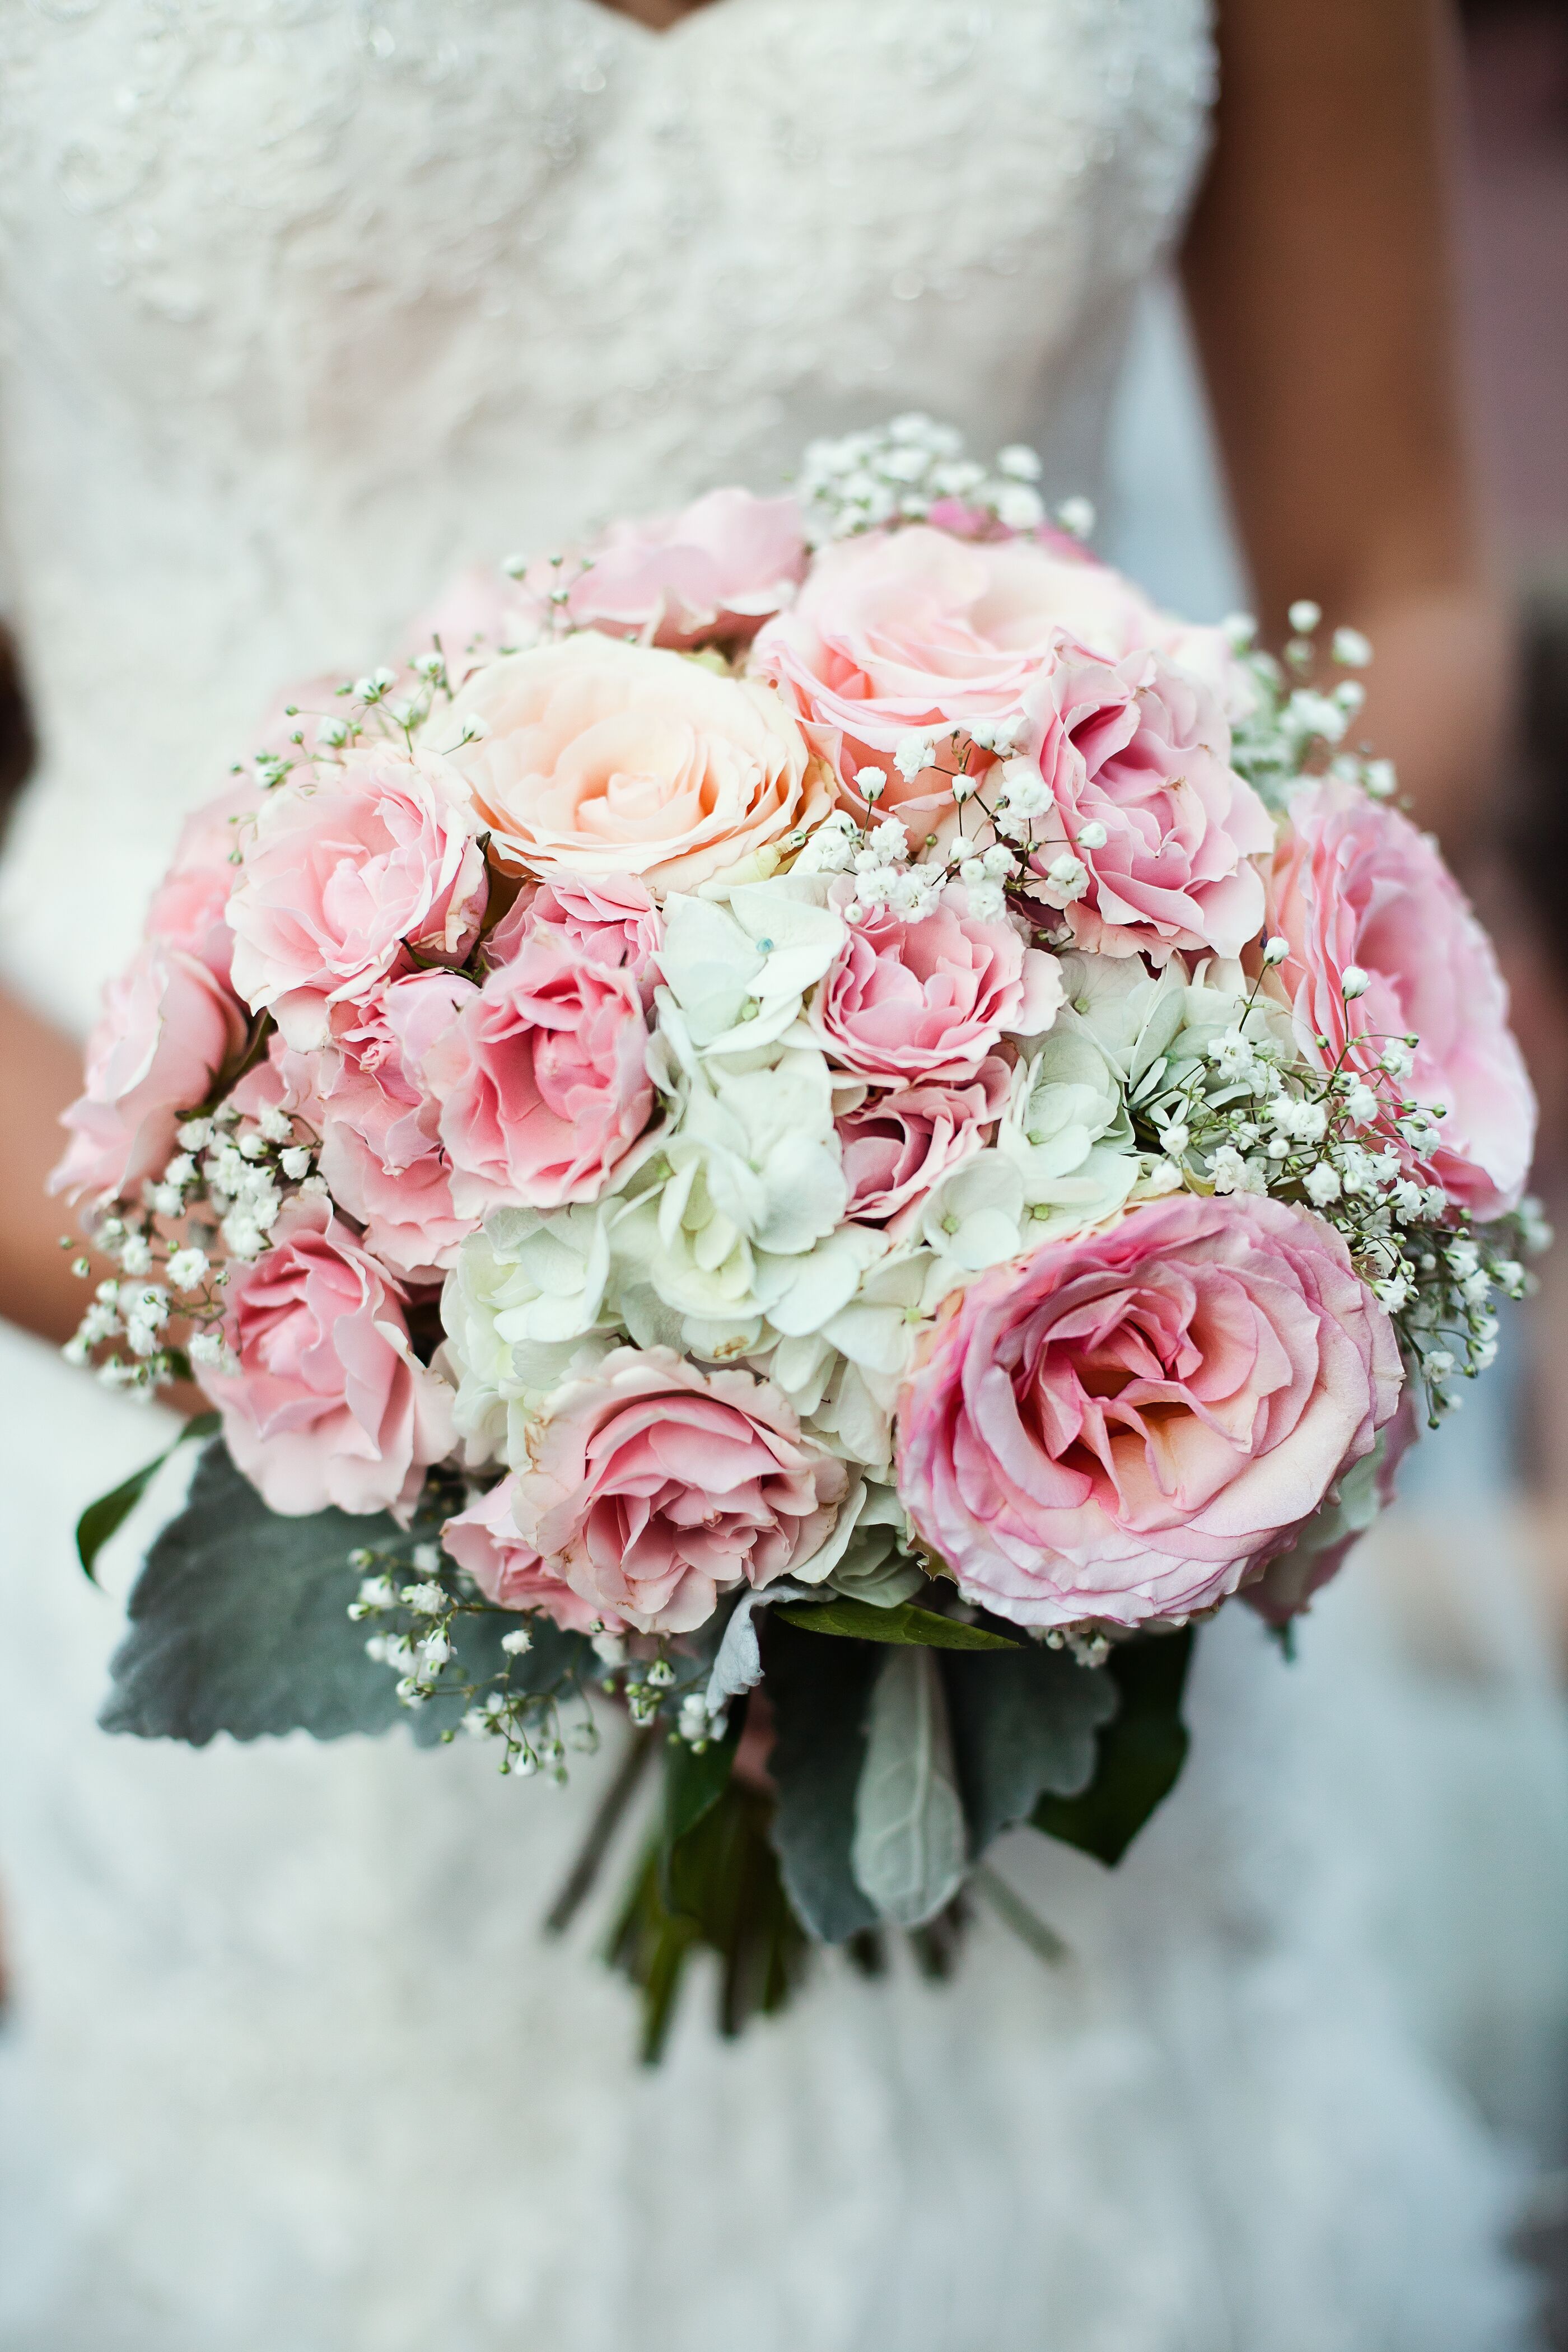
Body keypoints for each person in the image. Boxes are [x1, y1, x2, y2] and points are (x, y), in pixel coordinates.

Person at [0, 2, 1543, 2343]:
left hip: (1061, 1332)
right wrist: (431, 1369)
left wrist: (1105, 1211)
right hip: (193, 1305)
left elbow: (1394, 566)